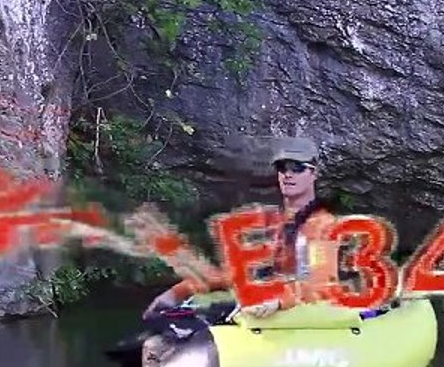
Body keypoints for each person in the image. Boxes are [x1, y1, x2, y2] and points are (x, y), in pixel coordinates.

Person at [142, 137, 342, 320]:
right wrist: (179, 291)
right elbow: (238, 273)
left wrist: (280, 301)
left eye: (297, 168)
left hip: (298, 317)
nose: (288, 174)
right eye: (282, 168)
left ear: (314, 173)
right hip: (267, 310)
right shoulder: (275, 223)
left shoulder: (322, 226)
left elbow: (320, 283)